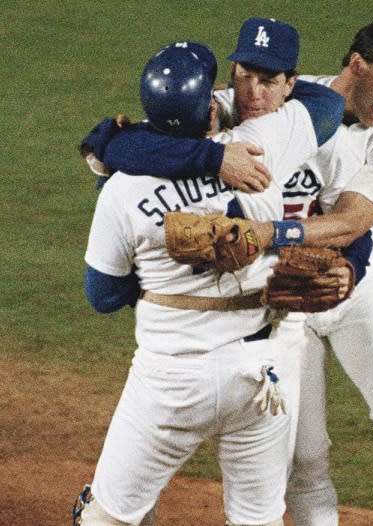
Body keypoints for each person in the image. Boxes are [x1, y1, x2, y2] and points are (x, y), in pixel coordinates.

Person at [81, 18, 373, 526]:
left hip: (351, 278)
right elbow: (118, 141)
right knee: (304, 458)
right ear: (357, 66)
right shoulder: (254, 107)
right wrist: (215, 156)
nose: (254, 91)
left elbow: (353, 224)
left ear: (289, 81)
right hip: (274, 296)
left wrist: (312, 255)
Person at [75, 36, 347, 525]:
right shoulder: (261, 145)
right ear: (213, 103)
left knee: (108, 517)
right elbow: (328, 103)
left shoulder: (120, 187)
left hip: (169, 381)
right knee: (257, 520)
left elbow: (102, 296)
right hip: (258, 373)